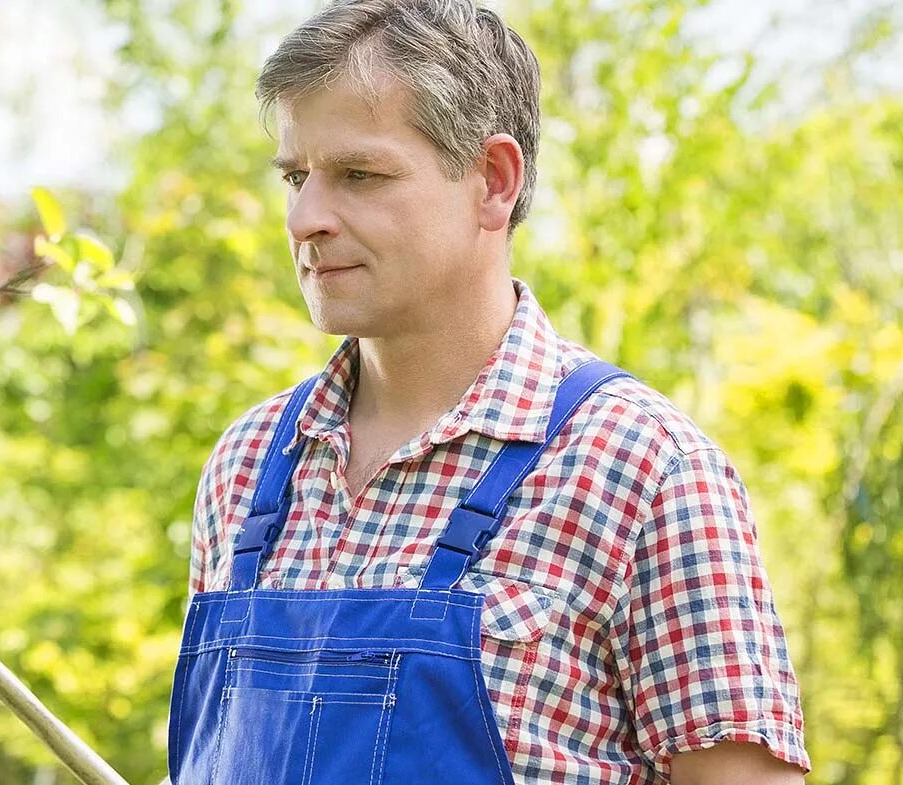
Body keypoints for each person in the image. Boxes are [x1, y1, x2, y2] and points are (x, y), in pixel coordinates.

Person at [167, 1, 809, 783]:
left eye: (359, 175)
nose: (305, 218)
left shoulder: (642, 471)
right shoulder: (247, 466)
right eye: (296, 176)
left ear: (493, 183)